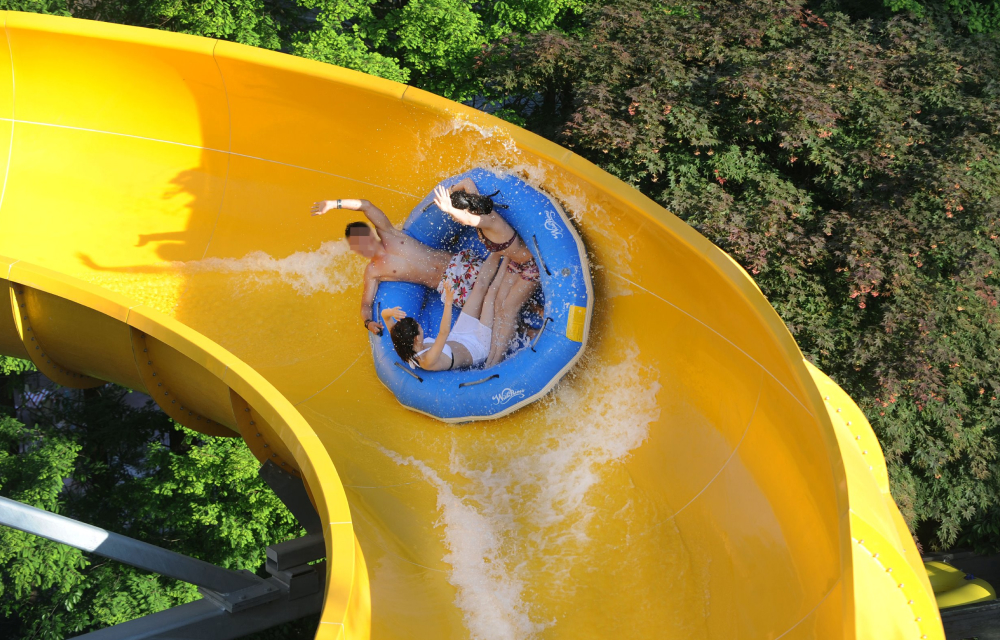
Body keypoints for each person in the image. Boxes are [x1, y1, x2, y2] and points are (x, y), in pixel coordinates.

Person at [310, 192, 488, 337]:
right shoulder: (373, 271)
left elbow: (366, 205)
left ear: (370, 233)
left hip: (459, 262)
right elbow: (365, 304)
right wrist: (368, 322)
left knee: (495, 280)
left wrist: (333, 204)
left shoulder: (390, 234)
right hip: (450, 287)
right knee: (488, 303)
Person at [431, 181, 540, 367]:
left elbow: (468, 220)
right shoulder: (475, 204)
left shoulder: (485, 218)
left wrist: (449, 208)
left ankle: (495, 361)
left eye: (457, 217)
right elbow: (467, 182)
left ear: (465, 213)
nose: (456, 221)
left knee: (508, 309)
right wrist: (450, 192)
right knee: (497, 303)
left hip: (531, 265)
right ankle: (493, 353)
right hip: (514, 262)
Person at [382, 255, 507, 371]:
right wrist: (448, 301)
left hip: (459, 335)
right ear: (416, 338)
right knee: (491, 295)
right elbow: (443, 332)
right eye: (418, 327)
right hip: (478, 346)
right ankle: (508, 259)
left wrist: (391, 312)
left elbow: (384, 316)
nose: (420, 326)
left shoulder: (406, 344)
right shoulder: (427, 360)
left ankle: (499, 248)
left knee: (479, 287)